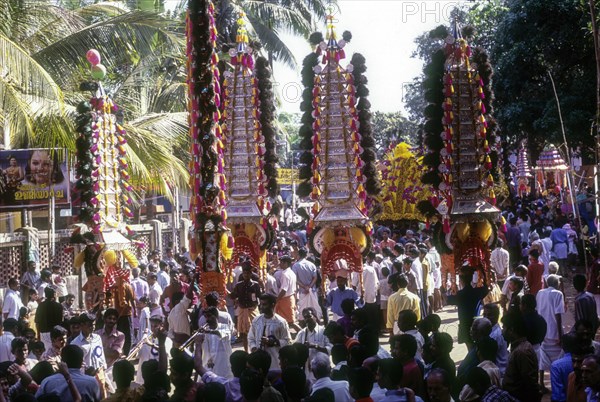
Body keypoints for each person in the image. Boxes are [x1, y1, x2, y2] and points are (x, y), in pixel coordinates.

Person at [501, 311, 540, 402]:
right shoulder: (518, 348)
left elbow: (530, 384)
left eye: (504, 328)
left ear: (511, 330)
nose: (502, 331)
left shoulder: (522, 352)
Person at [537, 274, 566, 391]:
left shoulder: (540, 293)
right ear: (557, 284)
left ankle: (542, 383)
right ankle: (558, 384)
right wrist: (560, 335)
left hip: (542, 331)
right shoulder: (558, 294)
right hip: (554, 331)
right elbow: (558, 315)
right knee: (558, 359)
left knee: (542, 358)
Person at [248, 294, 291, 370]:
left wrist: (274, 342)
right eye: (260, 304)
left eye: (264, 304)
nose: (261, 307)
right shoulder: (256, 320)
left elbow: (287, 341)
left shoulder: (281, 322)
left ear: (272, 305)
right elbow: (251, 338)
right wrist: (254, 349)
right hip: (259, 362)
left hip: (275, 362)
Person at [447, 271, 488, 350]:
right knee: (476, 344)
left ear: (461, 281)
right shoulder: (478, 291)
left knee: (470, 346)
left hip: (464, 323)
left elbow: (448, 300)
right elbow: (486, 288)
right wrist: (483, 272)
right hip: (476, 320)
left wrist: (448, 290)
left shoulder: (460, 294)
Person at [69, 312, 107, 392]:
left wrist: (103, 368)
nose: (92, 327)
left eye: (94, 324)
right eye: (90, 325)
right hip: (85, 377)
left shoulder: (97, 338)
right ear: (82, 325)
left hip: (99, 373)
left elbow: (100, 354)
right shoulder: (75, 343)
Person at [230, 262, 262, 352]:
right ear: (242, 274)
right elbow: (232, 296)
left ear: (251, 274)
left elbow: (260, 296)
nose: (246, 275)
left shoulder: (255, 285)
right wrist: (224, 290)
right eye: (244, 273)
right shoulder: (238, 285)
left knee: (255, 332)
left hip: (253, 311)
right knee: (244, 334)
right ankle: (246, 352)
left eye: (248, 273)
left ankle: (256, 350)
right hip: (242, 311)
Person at [196, 306, 233, 378]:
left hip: (224, 363)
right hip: (210, 365)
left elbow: (220, 334)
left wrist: (207, 331)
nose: (207, 319)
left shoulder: (225, 327)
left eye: (209, 316)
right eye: (205, 317)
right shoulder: (206, 331)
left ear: (216, 316)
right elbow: (205, 350)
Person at [294, 307, 331, 381]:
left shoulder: (324, 331)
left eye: (309, 316)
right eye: (305, 317)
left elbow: (330, 349)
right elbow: (295, 349)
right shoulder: (302, 333)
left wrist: (315, 346)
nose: (307, 319)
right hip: (307, 371)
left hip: (321, 372)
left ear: (315, 316)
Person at [292, 248, 321, 320]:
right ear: (306, 255)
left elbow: (295, 279)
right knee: (314, 311)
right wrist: (309, 287)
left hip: (303, 292)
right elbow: (315, 278)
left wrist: (305, 287)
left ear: (298, 255)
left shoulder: (296, 265)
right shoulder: (312, 265)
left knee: (303, 313)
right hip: (312, 291)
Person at [275, 255, 301, 331]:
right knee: (284, 321)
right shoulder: (292, 273)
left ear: (286, 263)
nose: (280, 264)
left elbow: (284, 290)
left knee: (290, 322)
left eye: (281, 262)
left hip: (286, 300)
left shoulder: (285, 274)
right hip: (290, 298)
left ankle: (304, 334)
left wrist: (277, 300)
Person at [482, 303, 508, 374]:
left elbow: (488, 358)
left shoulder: (495, 335)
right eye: (484, 315)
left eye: (490, 315)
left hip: (498, 371)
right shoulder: (490, 330)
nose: (486, 317)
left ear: (497, 316)